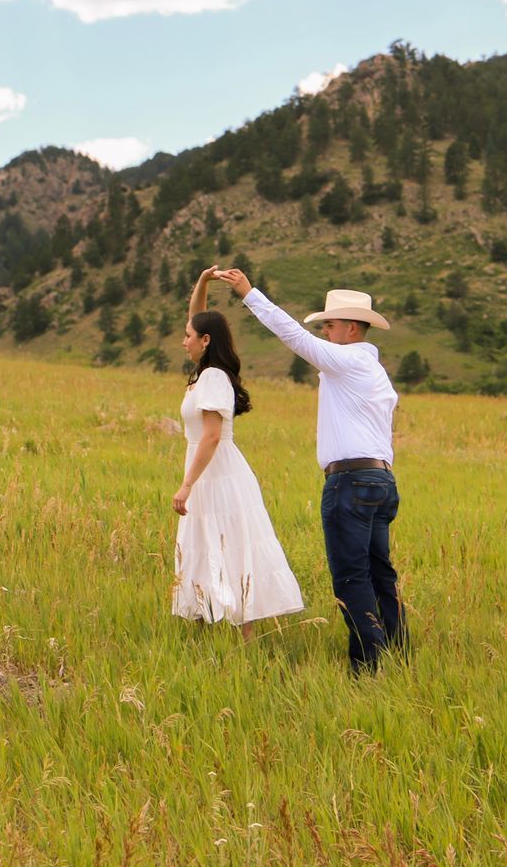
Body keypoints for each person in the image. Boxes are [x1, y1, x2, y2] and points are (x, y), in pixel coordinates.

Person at [214, 270, 404, 673]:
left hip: (349, 482)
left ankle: (368, 667)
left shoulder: (346, 360)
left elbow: (294, 337)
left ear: (352, 328)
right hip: (381, 480)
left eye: (330, 325)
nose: (325, 332)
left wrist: (250, 294)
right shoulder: (374, 370)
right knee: (379, 571)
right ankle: (398, 652)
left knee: (351, 577)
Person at [170, 267, 305, 638]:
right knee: (202, 545)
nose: (184, 341)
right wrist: (201, 282)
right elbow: (196, 319)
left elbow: (211, 436)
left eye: (188, 337)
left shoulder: (213, 377)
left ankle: (244, 638)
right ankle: (203, 629)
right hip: (208, 472)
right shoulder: (206, 371)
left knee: (232, 547)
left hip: (217, 474)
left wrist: (186, 485)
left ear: (206, 341)